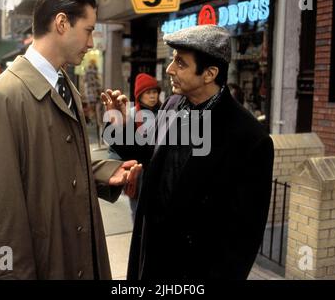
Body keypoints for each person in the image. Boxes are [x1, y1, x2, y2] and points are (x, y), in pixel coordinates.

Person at [0, 0, 141, 280]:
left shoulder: (65, 86)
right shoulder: (1, 99)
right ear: (62, 23)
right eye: (88, 30)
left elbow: (55, 164)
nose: (91, 42)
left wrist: (104, 173)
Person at [102, 24, 274, 279]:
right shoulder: (173, 104)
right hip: (151, 257)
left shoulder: (250, 139)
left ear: (209, 73)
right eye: (173, 60)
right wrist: (118, 127)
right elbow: (150, 152)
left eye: (180, 63)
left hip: (193, 270)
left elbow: (243, 238)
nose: (170, 70)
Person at [106, 73, 162, 222]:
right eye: (148, 92)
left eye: (155, 92)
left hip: (158, 173)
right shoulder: (130, 114)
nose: (152, 96)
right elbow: (116, 148)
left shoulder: (164, 114)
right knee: (137, 212)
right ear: (139, 95)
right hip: (137, 174)